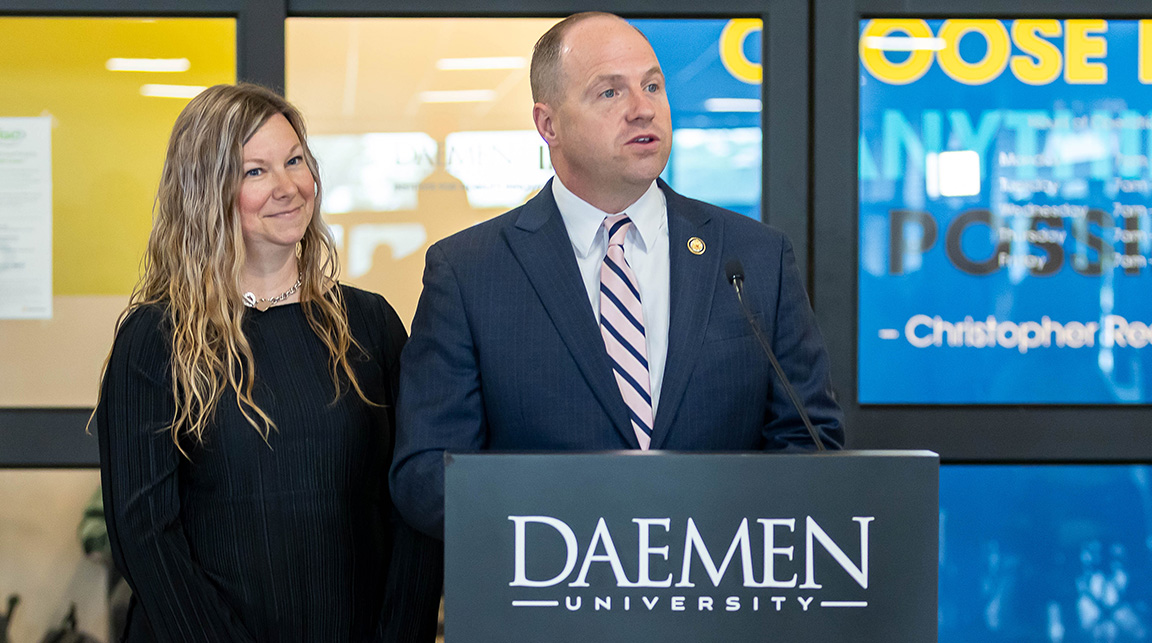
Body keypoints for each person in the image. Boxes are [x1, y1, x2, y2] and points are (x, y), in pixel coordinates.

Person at [390, 12, 845, 540]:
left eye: (652, 86)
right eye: (610, 92)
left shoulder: (754, 257)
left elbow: (809, 440)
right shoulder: (469, 272)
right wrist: (581, 530)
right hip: (552, 579)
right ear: (548, 125)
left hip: (720, 578)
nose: (642, 108)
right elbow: (429, 476)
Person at [94, 83, 441, 642]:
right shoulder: (157, 338)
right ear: (206, 192)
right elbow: (145, 535)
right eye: (255, 171)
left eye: (295, 160)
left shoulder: (369, 324)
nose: (287, 186)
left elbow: (414, 500)